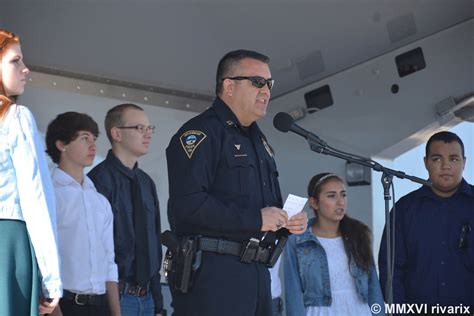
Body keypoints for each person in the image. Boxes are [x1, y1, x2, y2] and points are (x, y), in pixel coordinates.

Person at [166, 49, 307, 316]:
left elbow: (265, 209)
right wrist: (256, 219)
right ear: (229, 86)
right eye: (257, 82)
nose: (266, 90)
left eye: (269, 83)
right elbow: (187, 207)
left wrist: (285, 222)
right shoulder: (201, 133)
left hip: (257, 274)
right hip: (215, 275)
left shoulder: (259, 140)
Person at [0, 29, 62, 315]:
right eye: (15, 61)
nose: (26, 69)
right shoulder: (17, 118)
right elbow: (37, 199)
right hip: (9, 246)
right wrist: (51, 280)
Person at [378, 131, 473, 307]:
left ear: (464, 162)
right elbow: (390, 270)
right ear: (426, 162)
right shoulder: (404, 210)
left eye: (453, 159)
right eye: (437, 159)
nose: (445, 166)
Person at [88, 103, 165, 316]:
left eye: (150, 128)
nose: (148, 134)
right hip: (115, 298)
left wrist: (158, 304)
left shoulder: (146, 183)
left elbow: (153, 246)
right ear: (116, 134)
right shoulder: (98, 181)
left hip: (148, 299)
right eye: (140, 128)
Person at [45, 112, 121, 316]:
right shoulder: (48, 195)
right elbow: (40, 257)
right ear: (61, 144)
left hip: (100, 305)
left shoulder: (100, 201)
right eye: (84, 138)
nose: (93, 146)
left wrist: (116, 312)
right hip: (63, 304)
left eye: (94, 139)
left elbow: (109, 262)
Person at [284, 173, 385, 316]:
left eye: (343, 195)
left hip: (359, 311)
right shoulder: (298, 240)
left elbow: (373, 286)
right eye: (331, 196)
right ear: (314, 203)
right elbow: (292, 291)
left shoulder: (359, 234)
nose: (340, 202)